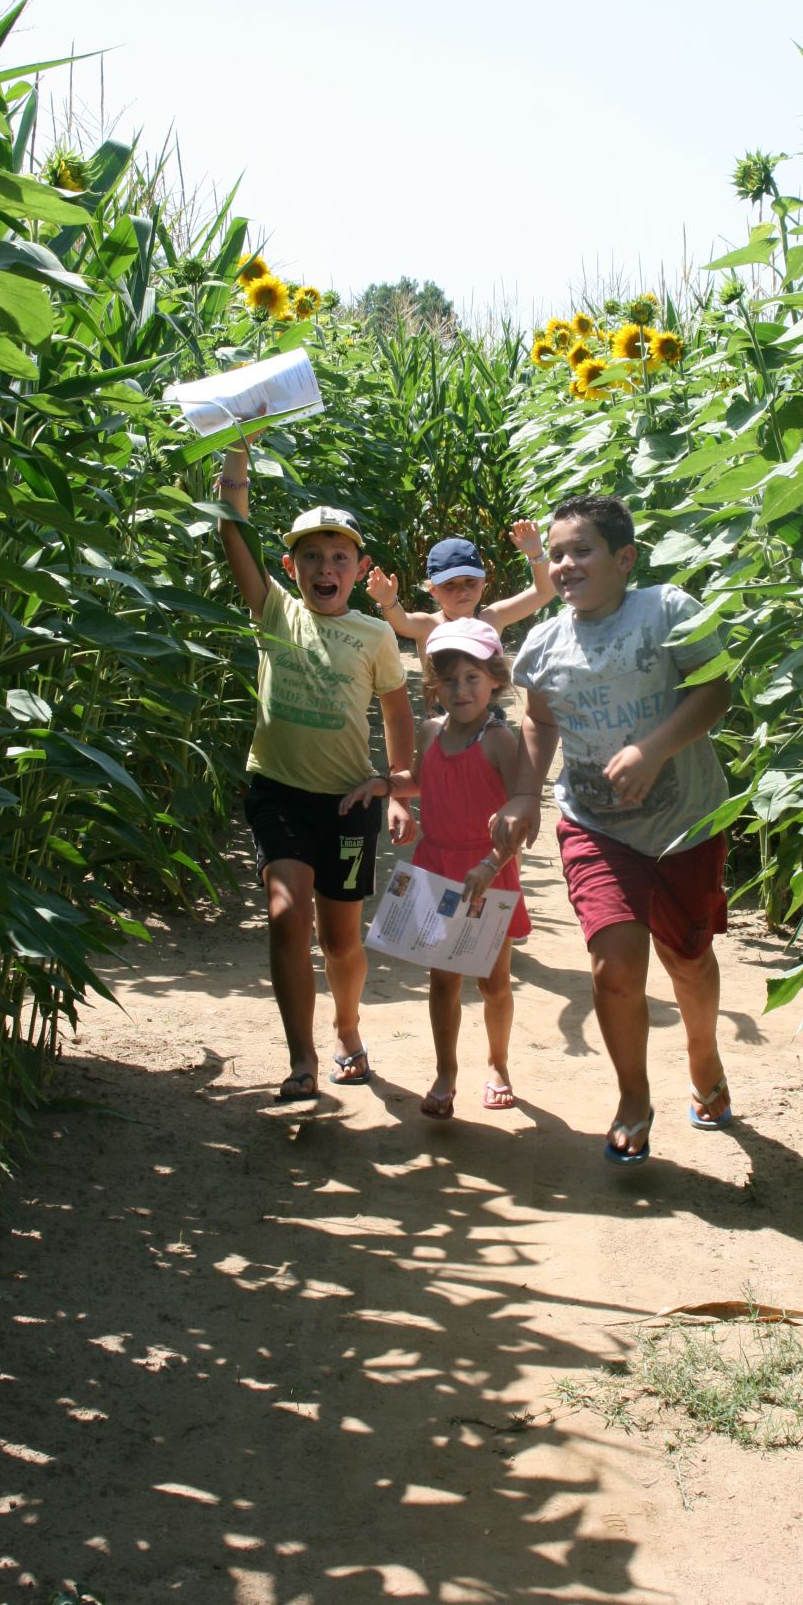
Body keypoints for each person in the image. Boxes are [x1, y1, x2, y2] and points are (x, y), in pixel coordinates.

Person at [490, 493, 733, 1164]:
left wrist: (654, 749)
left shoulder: (666, 611)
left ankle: (703, 1055)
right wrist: (523, 794)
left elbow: (715, 690)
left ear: (624, 559)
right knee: (613, 966)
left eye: (582, 550)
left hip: (686, 821)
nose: (565, 564)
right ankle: (633, 1096)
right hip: (595, 824)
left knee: (687, 957)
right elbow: (537, 720)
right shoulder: (543, 644)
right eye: (558, 553)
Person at [215, 443, 415, 1102]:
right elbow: (230, 531)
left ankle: (348, 1029)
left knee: (341, 942)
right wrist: (235, 467)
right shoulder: (275, 611)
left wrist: (396, 782)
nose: (324, 568)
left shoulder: (374, 636)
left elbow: (395, 708)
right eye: (310, 556)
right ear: (289, 565)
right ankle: (301, 1060)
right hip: (279, 795)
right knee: (284, 912)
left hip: (346, 804)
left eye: (339, 557)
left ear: (359, 568)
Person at [341, 619, 530, 1120]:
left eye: (473, 678)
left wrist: (492, 863)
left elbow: (520, 815)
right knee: (443, 980)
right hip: (437, 867)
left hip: (488, 873)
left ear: (494, 680)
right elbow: (420, 780)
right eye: (450, 680)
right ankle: (446, 1073)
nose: (461, 690)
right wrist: (383, 787)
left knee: (493, 982)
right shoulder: (431, 731)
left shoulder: (499, 741)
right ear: (435, 687)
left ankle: (498, 1064)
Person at [365, 523, 557, 682]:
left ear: (483, 583)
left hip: (488, 717)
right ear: (433, 590)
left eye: (470, 582)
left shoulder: (493, 617)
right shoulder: (429, 625)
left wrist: (536, 555)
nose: (462, 590)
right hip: (443, 719)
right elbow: (402, 622)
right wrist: (389, 601)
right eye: (450, 585)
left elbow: (544, 592)